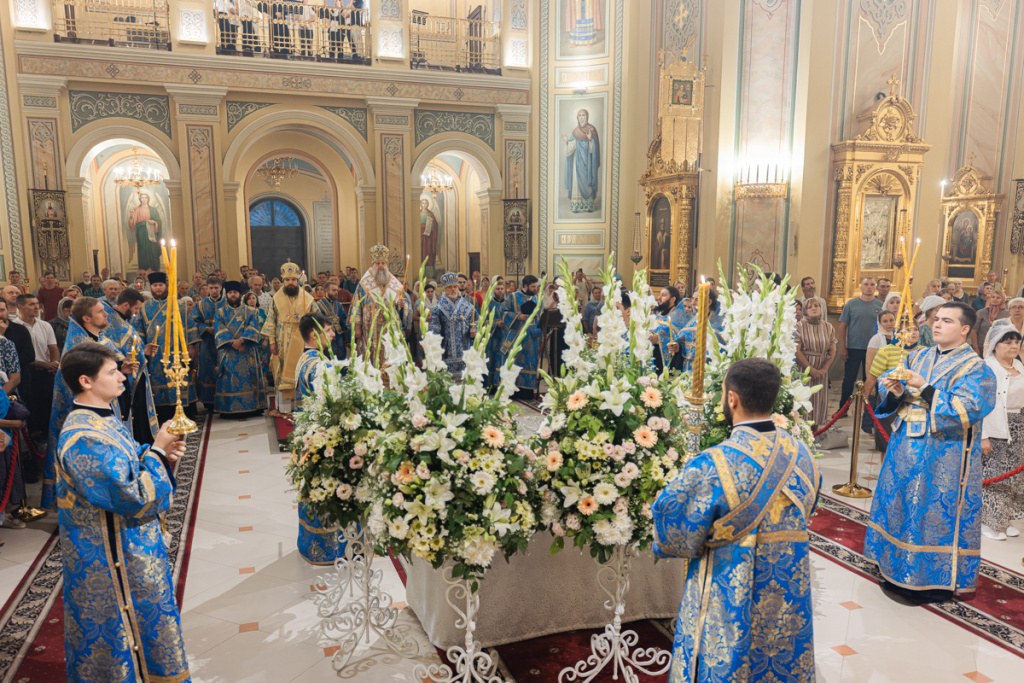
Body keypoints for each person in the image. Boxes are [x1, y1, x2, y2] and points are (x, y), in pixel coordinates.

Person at [652, 357, 821, 681]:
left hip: (729, 590)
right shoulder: (803, 455)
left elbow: (674, 527)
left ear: (732, 398)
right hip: (788, 588)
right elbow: (809, 506)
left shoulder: (714, 464)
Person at [55, 342, 190, 683]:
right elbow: (131, 495)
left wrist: (160, 455)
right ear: (86, 381)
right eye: (113, 372)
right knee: (118, 631)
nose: (122, 377)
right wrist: (158, 450)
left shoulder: (103, 417)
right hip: (109, 556)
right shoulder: (82, 436)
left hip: (130, 543)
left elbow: (128, 459)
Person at [866, 302, 997, 601]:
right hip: (903, 449)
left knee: (930, 513)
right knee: (900, 505)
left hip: (943, 457)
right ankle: (893, 568)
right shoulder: (918, 355)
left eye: (946, 321)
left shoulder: (977, 368)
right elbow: (892, 393)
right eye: (936, 319)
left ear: (965, 329)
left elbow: (968, 410)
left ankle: (931, 580)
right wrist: (895, 390)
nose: (936, 325)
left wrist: (926, 388)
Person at [44, 296, 131, 511]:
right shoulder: (79, 348)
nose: (107, 314)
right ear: (86, 318)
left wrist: (122, 370)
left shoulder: (97, 340)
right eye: (101, 311)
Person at [132, 272, 200, 423]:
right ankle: (163, 413)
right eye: (155, 286)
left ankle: (185, 411)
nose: (157, 288)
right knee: (158, 380)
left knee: (180, 377)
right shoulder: (144, 307)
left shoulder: (180, 304)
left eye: (160, 285)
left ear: (166, 286)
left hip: (178, 350)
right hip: (156, 353)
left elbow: (189, 326)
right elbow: (139, 330)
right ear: (151, 287)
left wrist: (190, 346)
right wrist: (143, 349)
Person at [979, 320, 1024, 541]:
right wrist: (983, 435)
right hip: (996, 427)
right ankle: (989, 522)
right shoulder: (987, 367)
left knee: (1013, 477)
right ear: (996, 344)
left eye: (1016, 342)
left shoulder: (1019, 365)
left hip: (1018, 427)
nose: (1013, 346)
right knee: (994, 476)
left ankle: (1004, 520)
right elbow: (981, 403)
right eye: (1008, 342)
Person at [103, 288, 158, 444]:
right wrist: (125, 360)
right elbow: (113, 349)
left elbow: (132, 347)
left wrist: (144, 351)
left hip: (135, 371)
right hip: (124, 374)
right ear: (126, 305)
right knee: (132, 412)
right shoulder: (112, 322)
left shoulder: (123, 320)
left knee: (140, 410)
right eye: (135, 308)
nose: (136, 312)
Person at [261, 262, 316, 413]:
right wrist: (272, 342)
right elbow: (271, 321)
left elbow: (316, 320)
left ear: (298, 279)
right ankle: (284, 408)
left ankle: (302, 406)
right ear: (283, 281)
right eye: (287, 280)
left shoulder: (308, 299)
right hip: (281, 342)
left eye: (293, 279)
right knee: (281, 370)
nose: (290, 283)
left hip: (302, 342)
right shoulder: (276, 299)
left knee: (302, 370)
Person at [349, 246, 405, 376]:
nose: (381, 266)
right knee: (371, 350)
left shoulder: (394, 283)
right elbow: (357, 305)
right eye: (378, 263)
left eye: (383, 263)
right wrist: (357, 326)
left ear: (387, 264)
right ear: (373, 264)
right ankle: (372, 379)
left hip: (389, 326)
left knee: (389, 350)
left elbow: (400, 306)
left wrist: (402, 305)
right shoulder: (363, 283)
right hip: (370, 327)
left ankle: (390, 380)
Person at [214, 281, 266, 418]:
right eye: (230, 292)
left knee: (249, 377)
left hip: (246, 350)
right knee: (228, 378)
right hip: (228, 351)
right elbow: (219, 328)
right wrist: (234, 343)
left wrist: (242, 341)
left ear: (239, 294)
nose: (233, 295)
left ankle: (253, 408)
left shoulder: (250, 311)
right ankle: (228, 409)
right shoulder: (220, 312)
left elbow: (254, 327)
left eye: (235, 293)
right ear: (226, 294)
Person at [15, 293, 59, 444]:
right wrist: (43, 363)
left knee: (46, 406)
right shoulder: (15, 327)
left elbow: (53, 348)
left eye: (37, 304)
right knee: (31, 407)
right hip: (26, 374)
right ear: (20, 307)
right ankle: (32, 442)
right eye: (31, 304)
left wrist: (55, 364)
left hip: (45, 373)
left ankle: (47, 440)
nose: (36, 307)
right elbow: (21, 356)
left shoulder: (45, 325)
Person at [837, 277, 883, 409]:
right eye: (866, 284)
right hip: (853, 348)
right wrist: (842, 347)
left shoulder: (880, 305)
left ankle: (868, 410)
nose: (869, 287)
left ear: (876, 288)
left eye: (872, 284)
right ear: (861, 287)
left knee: (869, 379)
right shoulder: (851, 304)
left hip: (874, 349)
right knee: (849, 380)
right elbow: (842, 326)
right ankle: (843, 408)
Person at [795, 298, 837, 430]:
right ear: (805, 311)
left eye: (817, 306)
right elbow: (796, 350)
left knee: (819, 401)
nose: (814, 308)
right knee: (803, 400)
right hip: (803, 369)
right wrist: (810, 369)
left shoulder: (828, 326)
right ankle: (801, 431)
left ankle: (815, 433)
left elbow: (832, 350)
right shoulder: (799, 326)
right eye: (810, 307)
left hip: (821, 369)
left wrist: (824, 369)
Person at [498, 275, 542, 399]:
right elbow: (503, 312)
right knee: (513, 362)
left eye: (536, 286)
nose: (535, 289)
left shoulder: (537, 299)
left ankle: (527, 392)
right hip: (515, 337)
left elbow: (539, 316)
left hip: (530, 338)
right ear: (525, 286)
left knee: (530, 363)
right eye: (533, 287)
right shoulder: (513, 297)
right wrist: (518, 316)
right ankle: (511, 391)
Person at [429, 272, 477, 381]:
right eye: (449, 287)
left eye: (455, 287)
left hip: (464, 349)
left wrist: (474, 329)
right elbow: (434, 328)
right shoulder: (439, 308)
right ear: (445, 290)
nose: (453, 290)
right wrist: (435, 346)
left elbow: (476, 320)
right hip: (446, 350)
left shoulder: (467, 305)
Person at [192, 276, 224, 411]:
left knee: (224, 369)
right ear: (207, 289)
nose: (214, 291)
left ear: (221, 288)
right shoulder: (200, 304)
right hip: (207, 342)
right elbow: (194, 322)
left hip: (224, 342)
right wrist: (206, 329)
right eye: (211, 288)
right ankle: (208, 401)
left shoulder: (227, 302)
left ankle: (224, 397)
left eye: (216, 288)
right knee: (207, 369)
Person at [315, 281, 349, 361]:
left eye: (337, 290)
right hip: (326, 337)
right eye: (334, 290)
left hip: (339, 337)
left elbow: (344, 322)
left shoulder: (339, 305)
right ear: (326, 290)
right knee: (328, 359)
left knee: (341, 360)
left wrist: (347, 339)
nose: (336, 292)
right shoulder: (319, 305)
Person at [974, 289, 1010, 356]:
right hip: (981, 346)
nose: (994, 299)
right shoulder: (981, 312)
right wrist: (976, 348)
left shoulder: (1007, 314)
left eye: (998, 297)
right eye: (993, 297)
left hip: (1000, 347)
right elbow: (974, 331)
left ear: (1003, 300)